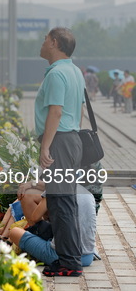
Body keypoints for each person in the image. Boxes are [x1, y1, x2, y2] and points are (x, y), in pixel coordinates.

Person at [34, 27, 85, 276]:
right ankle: (70, 258)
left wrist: (46, 145)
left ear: (54, 43)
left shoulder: (56, 74)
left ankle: (69, 263)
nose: (42, 43)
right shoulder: (75, 71)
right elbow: (80, 110)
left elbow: (56, 111)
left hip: (59, 141)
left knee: (61, 203)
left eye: (45, 39)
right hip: (71, 138)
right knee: (65, 201)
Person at [9, 184, 97, 270]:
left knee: (14, 232)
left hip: (63, 256)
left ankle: (36, 251)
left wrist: (46, 213)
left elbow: (35, 218)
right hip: (88, 256)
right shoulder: (88, 193)